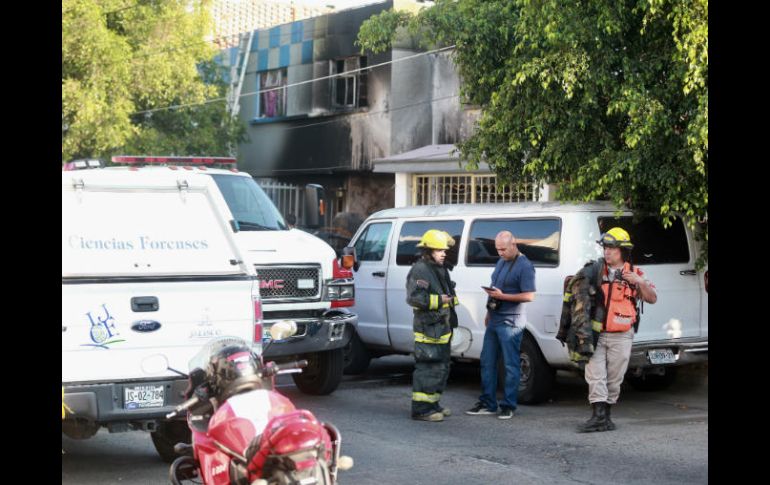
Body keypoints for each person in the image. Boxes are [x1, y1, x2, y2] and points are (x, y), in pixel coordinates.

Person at [564, 227, 657, 432]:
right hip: (596, 334)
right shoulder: (594, 271)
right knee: (595, 375)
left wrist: (640, 282)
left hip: (622, 335)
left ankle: (606, 416)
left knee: (614, 378)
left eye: (612, 248)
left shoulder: (635, 274)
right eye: (605, 247)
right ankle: (598, 416)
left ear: (622, 250)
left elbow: (652, 298)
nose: (607, 252)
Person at [466, 231, 535, 420]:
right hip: (495, 319)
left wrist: (503, 297)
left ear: (514, 245)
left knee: (511, 365)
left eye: (503, 249)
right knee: (487, 362)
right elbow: (494, 287)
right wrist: (489, 311)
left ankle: (508, 406)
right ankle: (488, 403)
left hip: (511, 322)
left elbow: (529, 295)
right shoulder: (501, 261)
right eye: (497, 249)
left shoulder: (525, 266)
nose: (500, 253)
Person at [406, 229, 459, 422]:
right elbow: (414, 298)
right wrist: (440, 300)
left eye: (444, 250)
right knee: (428, 367)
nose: (443, 253)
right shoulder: (421, 269)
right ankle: (421, 409)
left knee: (441, 367)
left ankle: (433, 404)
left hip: (441, 327)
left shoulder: (438, 267)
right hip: (428, 329)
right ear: (428, 251)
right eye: (438, 250)